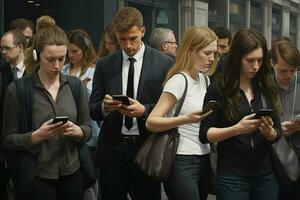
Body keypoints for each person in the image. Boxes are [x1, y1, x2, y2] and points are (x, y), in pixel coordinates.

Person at [89, 6, 174, 200]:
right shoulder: (105, 64)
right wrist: (105, 107)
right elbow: (93, 109)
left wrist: (145, 110)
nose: (128, 45)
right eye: (122, 39)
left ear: (143, 31)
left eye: (133, 38)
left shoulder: (164, 63)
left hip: (147, 148)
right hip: (113, 149)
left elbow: (171, 109)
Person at [1, 25, 91, 200]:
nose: (57, 65)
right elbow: (7, 140)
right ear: (36, 55)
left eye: (61, 58)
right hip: (36, 174)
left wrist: (78, 131)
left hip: (72, 172)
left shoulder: (75, 86)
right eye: (50, 59)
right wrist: (35, 136)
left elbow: (87, 128)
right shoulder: (18, 90)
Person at [200, 28, 281, 200]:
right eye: (250, 60)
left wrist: (271, 133)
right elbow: (205, 134)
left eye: (260, 60)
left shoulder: (266, 86)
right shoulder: (219, 88)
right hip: (232, 176)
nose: (256, 66)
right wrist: (236, 129)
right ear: (237, 58)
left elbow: (278, 131)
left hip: (266, 175)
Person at [146, 26, 218, 200]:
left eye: (214, 53)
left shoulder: (204, 79)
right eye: (207, 53)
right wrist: (184, 119)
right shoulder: (178, 80)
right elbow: (151, 121)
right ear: (191, 50)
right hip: (180, 160)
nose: (212, 58)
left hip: (204, 157)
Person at [62, 28, 99, 200]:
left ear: (84, 50)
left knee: (89, 175)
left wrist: (81, 90)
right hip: (66, 131)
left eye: (75, 51)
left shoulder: (93, 71)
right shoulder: (63, 69)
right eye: (68, 51)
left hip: (89, 130)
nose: (71, 55)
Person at [269, 39, 300, 200]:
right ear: (272, 63)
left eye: (292, 70)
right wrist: (278, 128)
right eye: (282, 71)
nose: (288, 75)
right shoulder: (265, 87)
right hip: (275, 161)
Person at [0, 29, 28, 200]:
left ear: (20, 47)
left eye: (7, 48)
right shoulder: (2, 72)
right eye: (1, 48)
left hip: (30, 137)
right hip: (8, 138)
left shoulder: (35, 71)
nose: (3, 52)